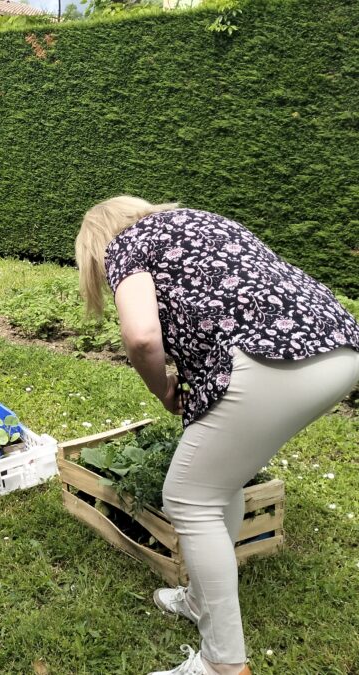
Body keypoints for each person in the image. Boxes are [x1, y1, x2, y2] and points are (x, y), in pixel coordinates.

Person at [75, 197, 359, 675]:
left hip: (269, 359)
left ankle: (222, 665)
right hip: (338, 349)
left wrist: (162, 387)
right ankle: (200, 599)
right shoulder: (201, 221)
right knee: (215, 485)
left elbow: (142, 337)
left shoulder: (126, 245)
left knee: (187, 497)